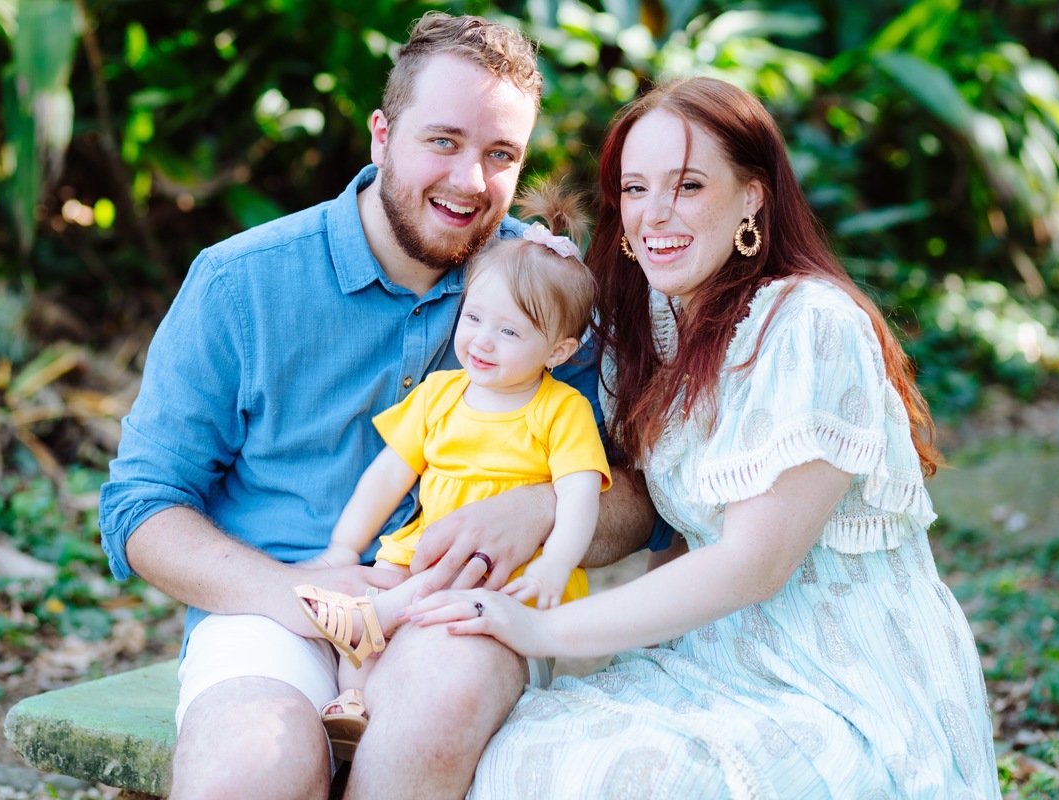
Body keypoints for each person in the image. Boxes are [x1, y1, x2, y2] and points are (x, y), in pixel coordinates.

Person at [97, 12, 658, 800]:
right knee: (252, 767)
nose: (471, 181)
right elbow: (142, 506)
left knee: (435, 712)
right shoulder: (240, 283)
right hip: (273, 606)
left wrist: (540, 510)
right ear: (382, 137)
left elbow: (643, 499)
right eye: (443, 141)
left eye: (501, 155)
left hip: (462, 613)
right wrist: (303, 596)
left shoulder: (547, 290)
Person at [405, 76, 1002, 798]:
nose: (654, 214)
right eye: (635, 189)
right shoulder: (648, 330)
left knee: (629, 780)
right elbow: (679, 530)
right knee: (522, 754)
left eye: (688, 185)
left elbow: (753, 563)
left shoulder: (810, 324)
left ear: (752, 197)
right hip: (706, 661)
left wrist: (542, 630)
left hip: (837, 681)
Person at [296, 198, 611, 761]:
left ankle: (372, 626)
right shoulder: (441, 393)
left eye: (509, 331)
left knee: (413, 608)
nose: (482, 341)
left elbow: (579, 496)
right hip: (428, 545)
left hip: (502, 569)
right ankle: (353, 700)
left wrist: (557, 564)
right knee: (378, 585)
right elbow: (388, 474)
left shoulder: (560, 410)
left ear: (559, 351)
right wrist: (342, 547)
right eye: (474, 318)